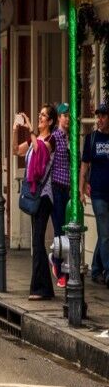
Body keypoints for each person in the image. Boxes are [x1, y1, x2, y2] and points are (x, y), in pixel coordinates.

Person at [13, 104, 57, 300]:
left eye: (43, 116)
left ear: (50, 121)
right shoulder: (33, 141)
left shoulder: (49, 141)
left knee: (38, 241)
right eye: (39, 114)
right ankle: (45, 288)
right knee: (36, 241)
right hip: (35, 194)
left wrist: (29, 126)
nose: (40, 118)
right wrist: (16, 129)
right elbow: (16, 150)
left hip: (45, 197)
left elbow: (40, 151)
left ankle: (39, 288)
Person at [81, 102, 109, 287]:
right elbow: (84, 165)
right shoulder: (91, 139)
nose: (99, 119)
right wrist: (81, 188)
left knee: (104, 232)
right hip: (98, 193)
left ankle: (97, 268)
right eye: (97, 116)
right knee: (106, 234)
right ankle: (108, 271)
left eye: (103, 116)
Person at [49, 103, 70, 287]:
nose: (67, 119)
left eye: (69, 116)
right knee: (59, 230)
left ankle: (63, 265)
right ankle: (58, 267)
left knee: (68, 231)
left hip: (67, 189)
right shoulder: (55, 137)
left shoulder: (69, 137)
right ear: (59, 118)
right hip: (56, 187)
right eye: (64, 116)